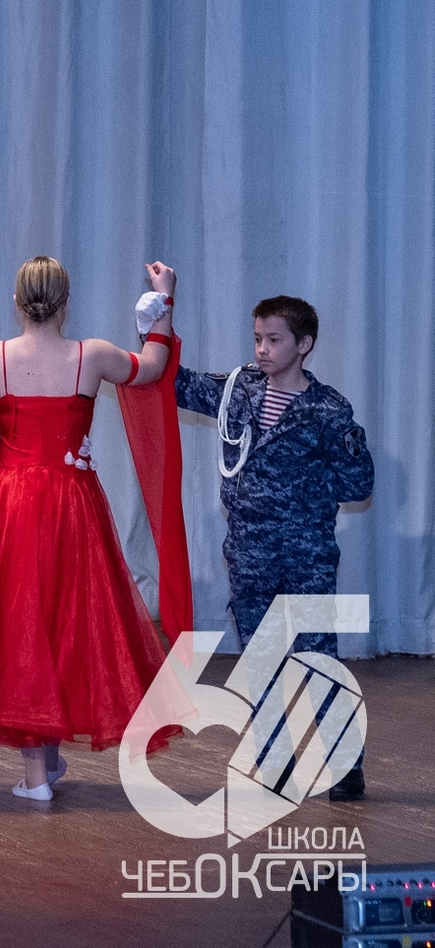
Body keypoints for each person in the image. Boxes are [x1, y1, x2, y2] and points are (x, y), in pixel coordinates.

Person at [0, 257, 178, 801]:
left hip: (13, 506)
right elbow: (152, 366)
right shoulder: (92, 355)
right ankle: (42, 765)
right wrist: (162, 304)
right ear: (66, 304)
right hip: (73, 507)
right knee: (63, 622)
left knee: (23, 624)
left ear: (17, 302)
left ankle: (38, 774)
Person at [168, 294, 374, 801]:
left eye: (274, 339)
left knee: (317, 656)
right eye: (257, 338)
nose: (261, 349)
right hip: (250, 549)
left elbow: (358, 482)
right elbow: (176, 383)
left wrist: (302, 497)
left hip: (306, 552)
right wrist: (160, 319)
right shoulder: (238, 390)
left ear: (304, 345)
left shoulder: (328, 410)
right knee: (261, 657)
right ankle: (274, 760)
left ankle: (345, 765)